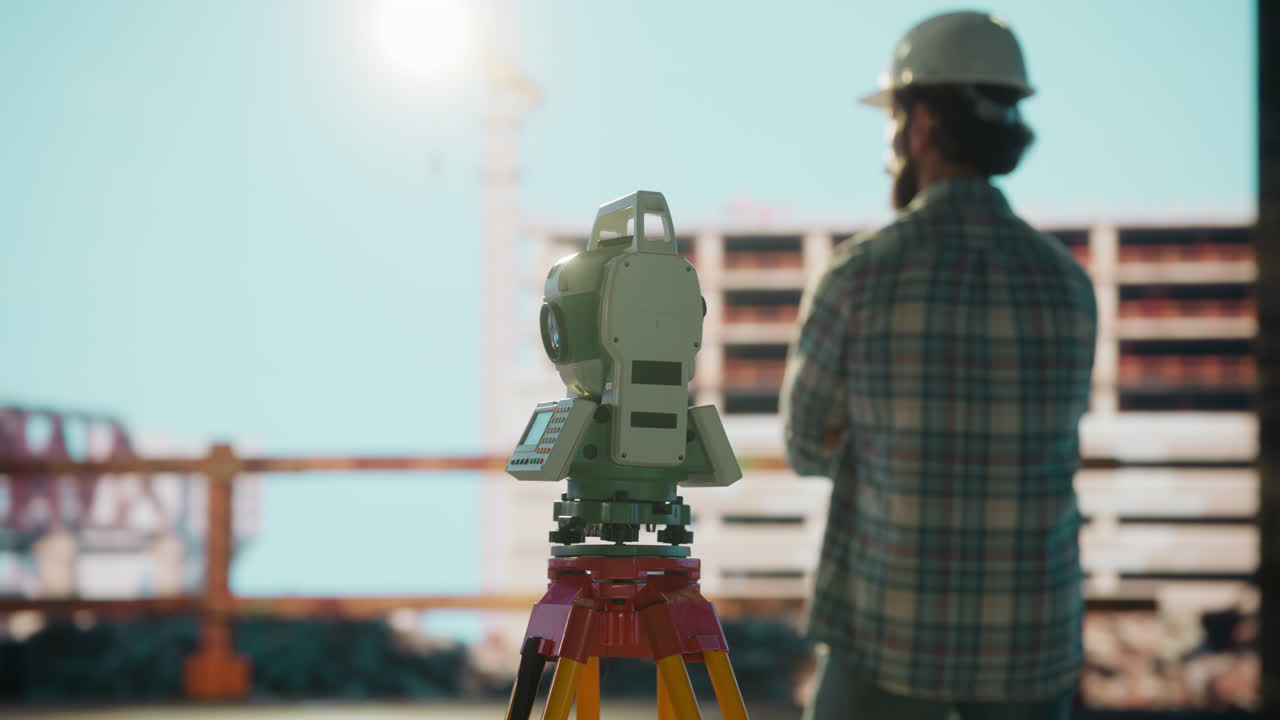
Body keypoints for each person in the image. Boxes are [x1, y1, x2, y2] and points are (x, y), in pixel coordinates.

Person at [780, 11, 1097, 720]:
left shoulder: (860, 274)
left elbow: (804, 445)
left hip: (891, 630)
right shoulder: (1066, 283)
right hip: (1031, 639)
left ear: (919, 124)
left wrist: (883, 449)